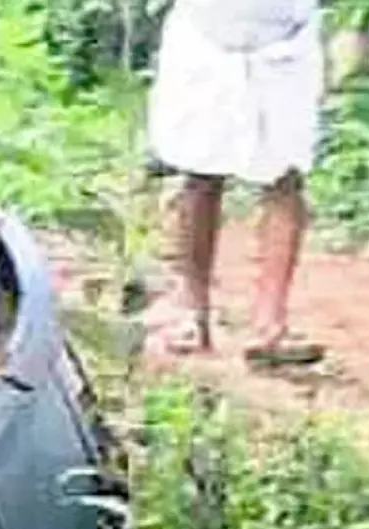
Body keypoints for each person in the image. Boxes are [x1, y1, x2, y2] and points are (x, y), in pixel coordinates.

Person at [146, 0, 329, 366]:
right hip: (204, 31)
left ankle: (270, 325)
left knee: (285, 177)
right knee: (199, 175)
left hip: (285, 36)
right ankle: (192, 312)